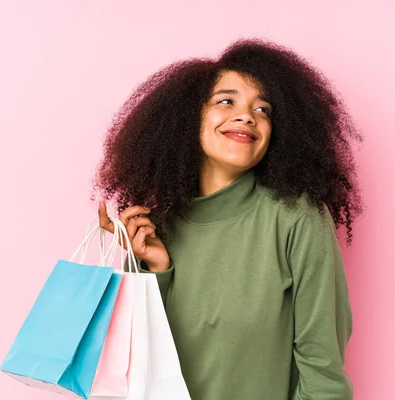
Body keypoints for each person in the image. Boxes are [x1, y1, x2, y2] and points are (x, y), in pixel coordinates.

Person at [93, 38, 363, 400]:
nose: (247, 116)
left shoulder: (296, 218)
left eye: (263, 109)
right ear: (191, 117)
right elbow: (132, 366)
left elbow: (322, 373)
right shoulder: (157, 228)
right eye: (226, 101)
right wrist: (155, 271)